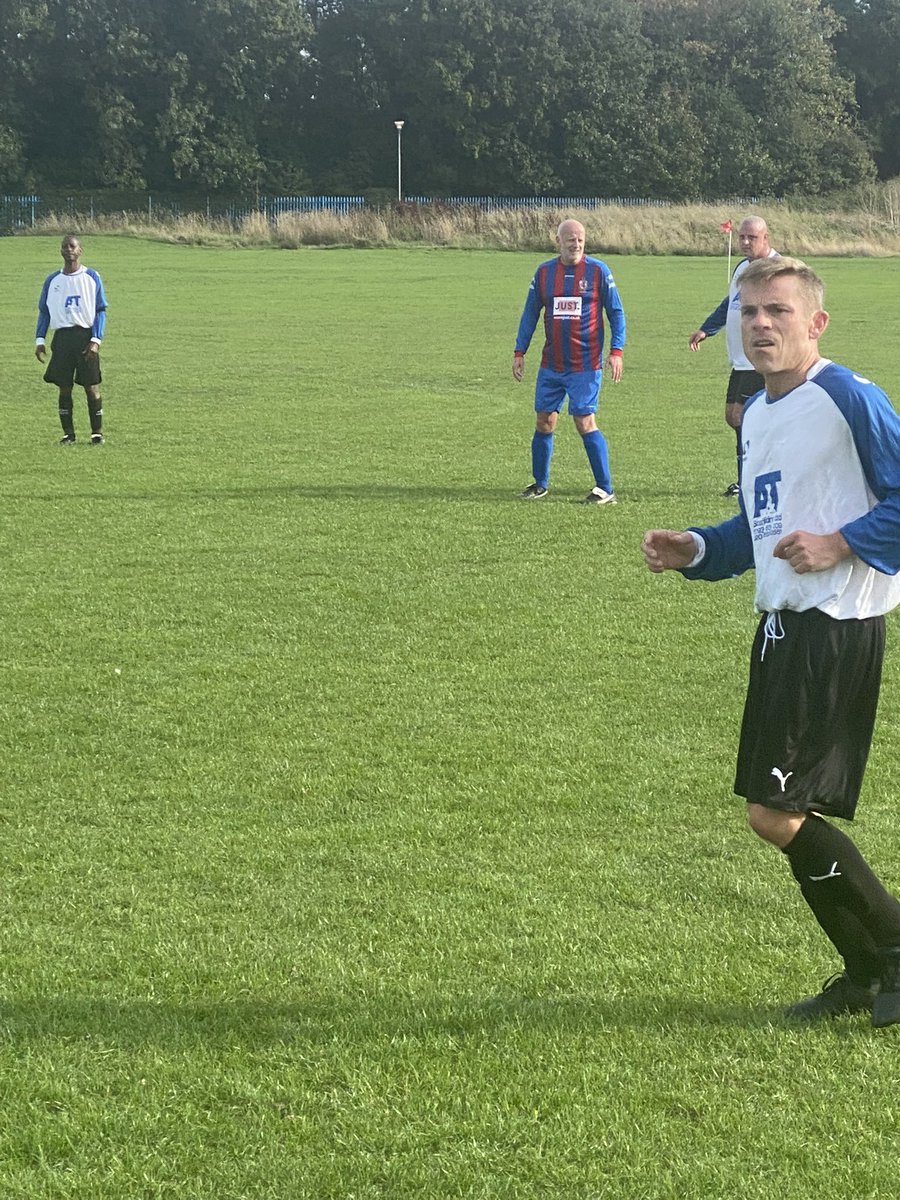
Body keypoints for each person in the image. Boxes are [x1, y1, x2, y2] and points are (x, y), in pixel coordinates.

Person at [642, 256, 900, 1027]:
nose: (760, 325)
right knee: (776, 811)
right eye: (748, 312)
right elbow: (762, 530)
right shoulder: (756, 412)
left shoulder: (847, 396)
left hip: (834, 625)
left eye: (777, 311)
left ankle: (887, 954)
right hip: (781, 623)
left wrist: (843, 543)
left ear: (814, 322)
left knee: (775, 812)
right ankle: (865, 975)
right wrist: (697, 547)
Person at [513, 218, 626, 504]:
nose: (575, 244)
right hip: (552, 364)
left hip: (585, 364)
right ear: (558, 241)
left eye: (580, 240)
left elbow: (616, 313)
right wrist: (519, 351)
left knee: (584, 420)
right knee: (544, 420)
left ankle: (605, 488)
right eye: (570, 239)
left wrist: (616, 351)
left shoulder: (598, 271)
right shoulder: (544, 273)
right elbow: (530, 314)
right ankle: (540, 484)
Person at [688, 216, 777, 496]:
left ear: (766, 239)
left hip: (761, 358)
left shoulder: (775, 271)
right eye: (742, 237)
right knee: (733, 416)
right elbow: (732, 302)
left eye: (752, 237)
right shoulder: (742, 267)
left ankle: (749, 482)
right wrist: (707, 329)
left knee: (744, 417)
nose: (746, 242)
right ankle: (748, 479)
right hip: (741, 359)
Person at [35, 234, 108, 445]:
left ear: (80, 250)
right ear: (61, 251)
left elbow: (101, 310)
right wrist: (40, 339)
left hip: (85, 336)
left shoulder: (92, 277)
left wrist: (96, 340)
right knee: (64, 386)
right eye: (65, 246)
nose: (68, 250)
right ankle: (69, 434)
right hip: (62, 338)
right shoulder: (52, 280)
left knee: (91, 385)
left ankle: (97, 433)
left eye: (72, 246)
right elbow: (44, 311)